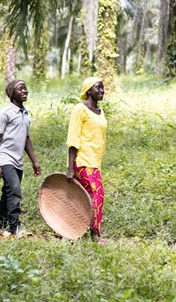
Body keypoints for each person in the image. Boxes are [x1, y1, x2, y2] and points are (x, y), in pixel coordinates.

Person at [0, 79, 41, 239]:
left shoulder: (26, 115)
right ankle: (15, 228)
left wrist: (34, 162)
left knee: (7, 193)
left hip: (18, 161)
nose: (25, 91)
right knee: (14, 191)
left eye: (25, 89)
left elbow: (26, 139)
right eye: (20, 89)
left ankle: (0, 226)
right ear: (12, 93)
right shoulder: (5, 113)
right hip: (6, 159)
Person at [66, 77, 107, 239]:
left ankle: (77, 229)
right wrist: (70, 167)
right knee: (98, 194)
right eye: (98, 87)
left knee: (89, 196)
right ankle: (95, 233)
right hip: (83, 160)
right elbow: (73, 138)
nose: (102, 90)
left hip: (95, 161)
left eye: (103, 88)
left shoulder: (100, 111)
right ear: (88, 90)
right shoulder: (80, 109)